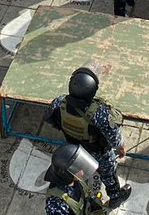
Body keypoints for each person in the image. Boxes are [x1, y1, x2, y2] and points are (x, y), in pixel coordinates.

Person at [47, 68, 132, 207]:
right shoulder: (99, 114)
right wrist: (121, 148)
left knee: (77, 172)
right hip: (98, 152)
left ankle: (83, 188)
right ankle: (115, 196)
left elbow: (51, 120)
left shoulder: (59, 103)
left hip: (74, 150)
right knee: (108, 172)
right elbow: (114, 137)